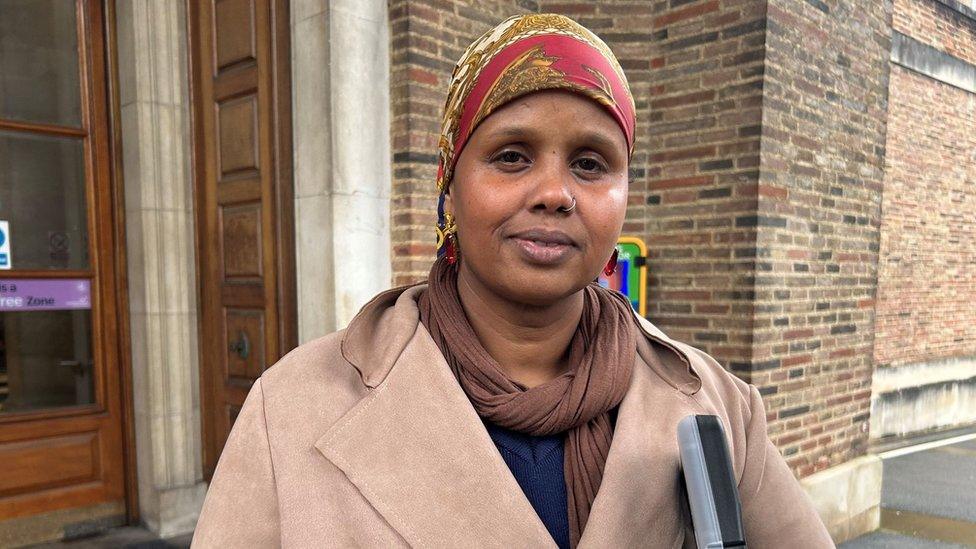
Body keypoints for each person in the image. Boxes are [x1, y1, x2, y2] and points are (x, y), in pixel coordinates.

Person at [192, 13, 833, 548]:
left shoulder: (720, 411)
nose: (554, 193)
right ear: (449, 185)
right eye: (511, 156)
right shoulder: (292, 409)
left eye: (590, 163)